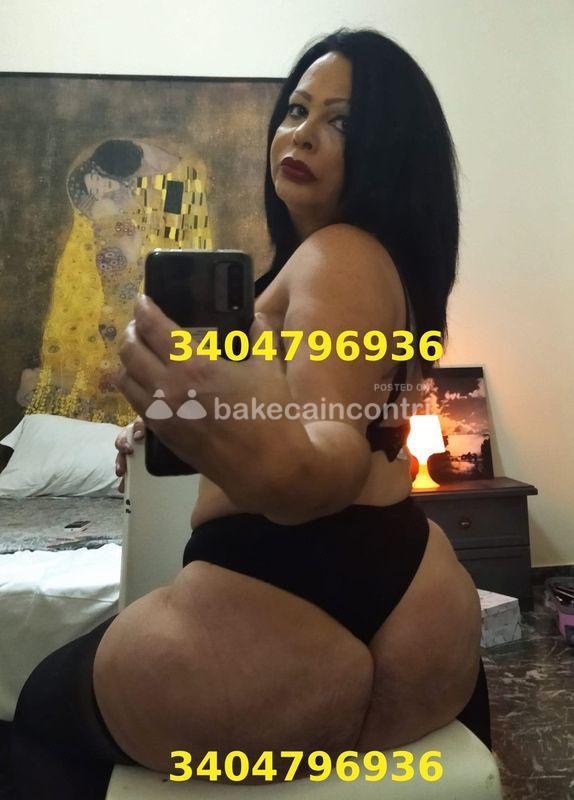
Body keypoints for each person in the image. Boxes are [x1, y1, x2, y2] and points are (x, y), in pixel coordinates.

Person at [7, 26, 491, 798]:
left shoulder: (336, 254)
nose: (302, 133)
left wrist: (267, 455)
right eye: (297, 110)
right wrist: (186, 434)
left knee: (37, 709)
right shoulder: (377, 268)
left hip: (276, 600)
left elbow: (323, 457)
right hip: (413, 598)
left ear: (393, 150)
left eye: (342, 121)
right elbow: (327, 413)